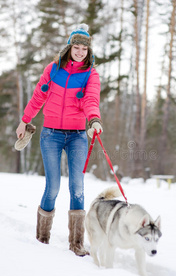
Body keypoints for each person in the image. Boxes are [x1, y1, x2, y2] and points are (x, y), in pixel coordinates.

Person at [16, 24, 103, 256]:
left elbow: (91, 100)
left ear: (88, 50)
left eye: (84, 48)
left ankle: (76, 243)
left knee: (77, 187)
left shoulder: (91, 74)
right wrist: (25, 120)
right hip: (51, 134)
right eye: (76, 46)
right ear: (69, 47)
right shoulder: (53, 70)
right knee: (52, 186)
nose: (80, 51)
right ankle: (42, 239)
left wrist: (94, 120)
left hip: (77, 136)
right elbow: (38, 96)